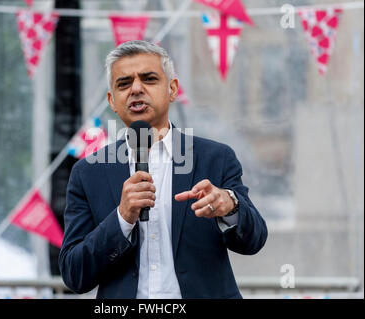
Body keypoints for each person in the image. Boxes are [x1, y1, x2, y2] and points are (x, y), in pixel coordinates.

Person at [59, 40, 267, 299]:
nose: (136, 89)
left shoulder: (215, 159)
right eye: (124, 83)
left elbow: (254, 240)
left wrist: (231, 206)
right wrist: (122, 218)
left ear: (172, 89)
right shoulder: (88, 172)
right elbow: (74, 274)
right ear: (112, 101)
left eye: (148, 79)